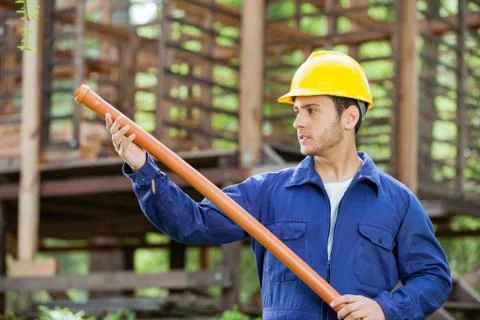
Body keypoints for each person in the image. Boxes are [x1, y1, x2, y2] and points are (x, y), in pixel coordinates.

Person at [106, 51, 452, 320]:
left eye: (312, 110)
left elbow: (433, 276)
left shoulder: (397, 202)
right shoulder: (267, 192)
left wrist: (386, 309)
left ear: (350, 118)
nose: (298, 122)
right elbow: (191, 223)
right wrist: (142, 167)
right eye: (297, 110)